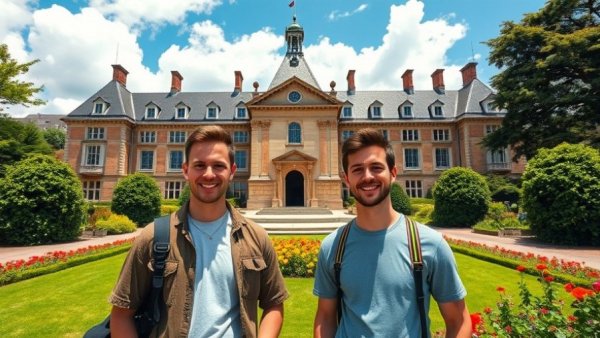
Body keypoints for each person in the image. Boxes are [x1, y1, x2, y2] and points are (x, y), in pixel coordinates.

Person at [109, 125, 288, 337]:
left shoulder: (257, 237)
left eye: (218, 166)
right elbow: (121, 313)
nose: (209, 174)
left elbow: (274, 304)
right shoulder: (153, 236)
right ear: (185, 170)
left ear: (232, 171)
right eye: (200, 165)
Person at [313, 128, 471, 338]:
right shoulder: (332, 247)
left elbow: (459, 322)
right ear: (346, 179)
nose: (367, 176)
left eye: (376, 167)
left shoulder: (430, 243)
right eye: (358, 169)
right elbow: (325, 318)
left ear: (393, 173)